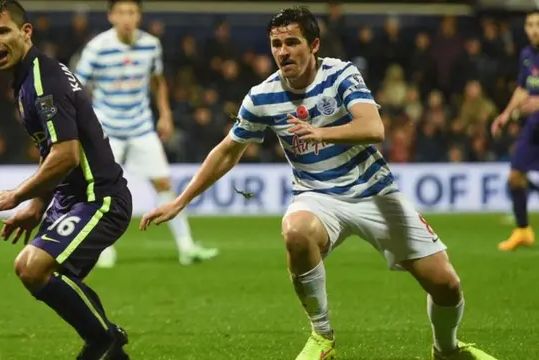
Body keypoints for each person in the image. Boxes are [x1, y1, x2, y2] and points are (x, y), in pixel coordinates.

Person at [140, 7, 497, 360]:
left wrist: (320, 132)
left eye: (291, 42)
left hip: (375, 193)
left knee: (446, 284)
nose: (282, 52)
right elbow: (228, 151)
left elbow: (374, 128)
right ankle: (322, 335)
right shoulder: (262, 96)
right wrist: (181, 200)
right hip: (318, 196)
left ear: (313, 45)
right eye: (276, 44)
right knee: (295, 231)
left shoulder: (341, 74)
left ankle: (447, 350)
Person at [0, 1, 131, 359]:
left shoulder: (43, 78)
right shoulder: (27, 78)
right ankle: (110, 350)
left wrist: (16, 196)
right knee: (54, 277)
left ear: (25, 31)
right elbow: (52, 154)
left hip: (100, 200)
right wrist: (36, 206)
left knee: (32, 266)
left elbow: (66, 156)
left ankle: (105, 339)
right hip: (72, 200)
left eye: (2, 31)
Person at [74, 0, 218, 268]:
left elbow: (157, 79)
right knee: (102, 190)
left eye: (131, 12)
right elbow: (77, 87)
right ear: (111, 16)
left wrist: (165, 113)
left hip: (141, 126)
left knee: (163, 183)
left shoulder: (151, 44)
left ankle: (186, 247)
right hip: (107, 129)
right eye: (121, 13)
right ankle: (103, 250)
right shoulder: (97, 48)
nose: (126, 18)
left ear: (139, 16)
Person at [491, 10, 539, 251]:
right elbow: (522, 89)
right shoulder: (527, 55)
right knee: (515, 175)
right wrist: (506, 114)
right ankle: (523, 230)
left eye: (538, 25)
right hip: (534, 126)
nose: (533, 29)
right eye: (530, 24)